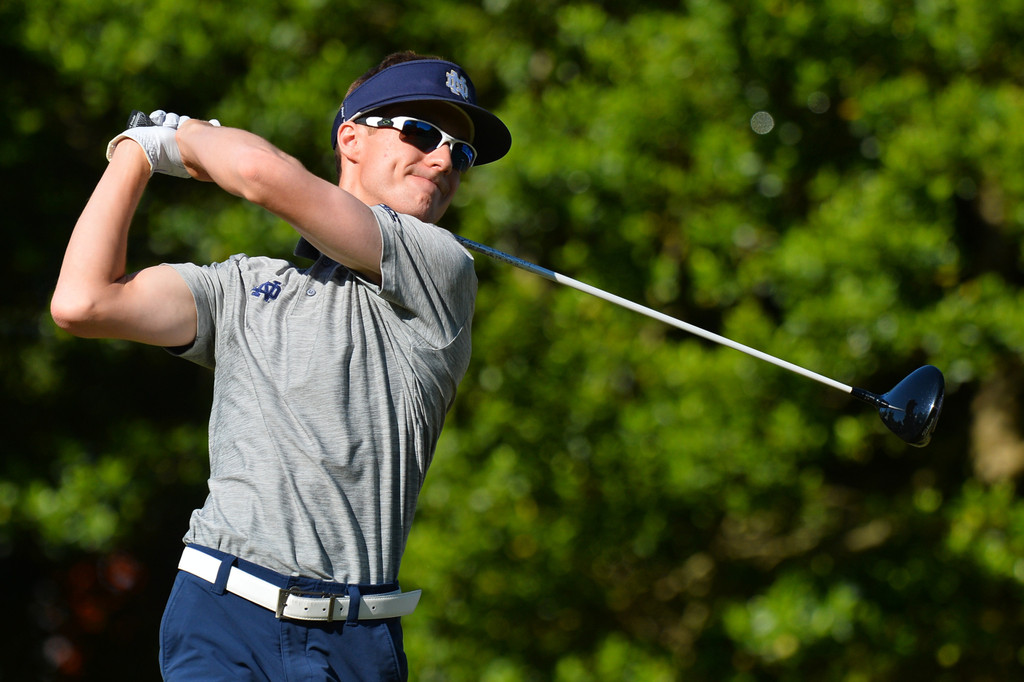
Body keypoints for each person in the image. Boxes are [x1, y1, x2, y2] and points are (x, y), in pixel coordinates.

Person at [50, 51, 511, 681]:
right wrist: (134, 150)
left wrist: (185, 135)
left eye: (461, 154)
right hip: (221, 615)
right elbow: (83, 301)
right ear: (352, 137)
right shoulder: (244, 288)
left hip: (356, 640)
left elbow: (261, 176)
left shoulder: (440, 268)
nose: (443, 161)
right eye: (423, 133)